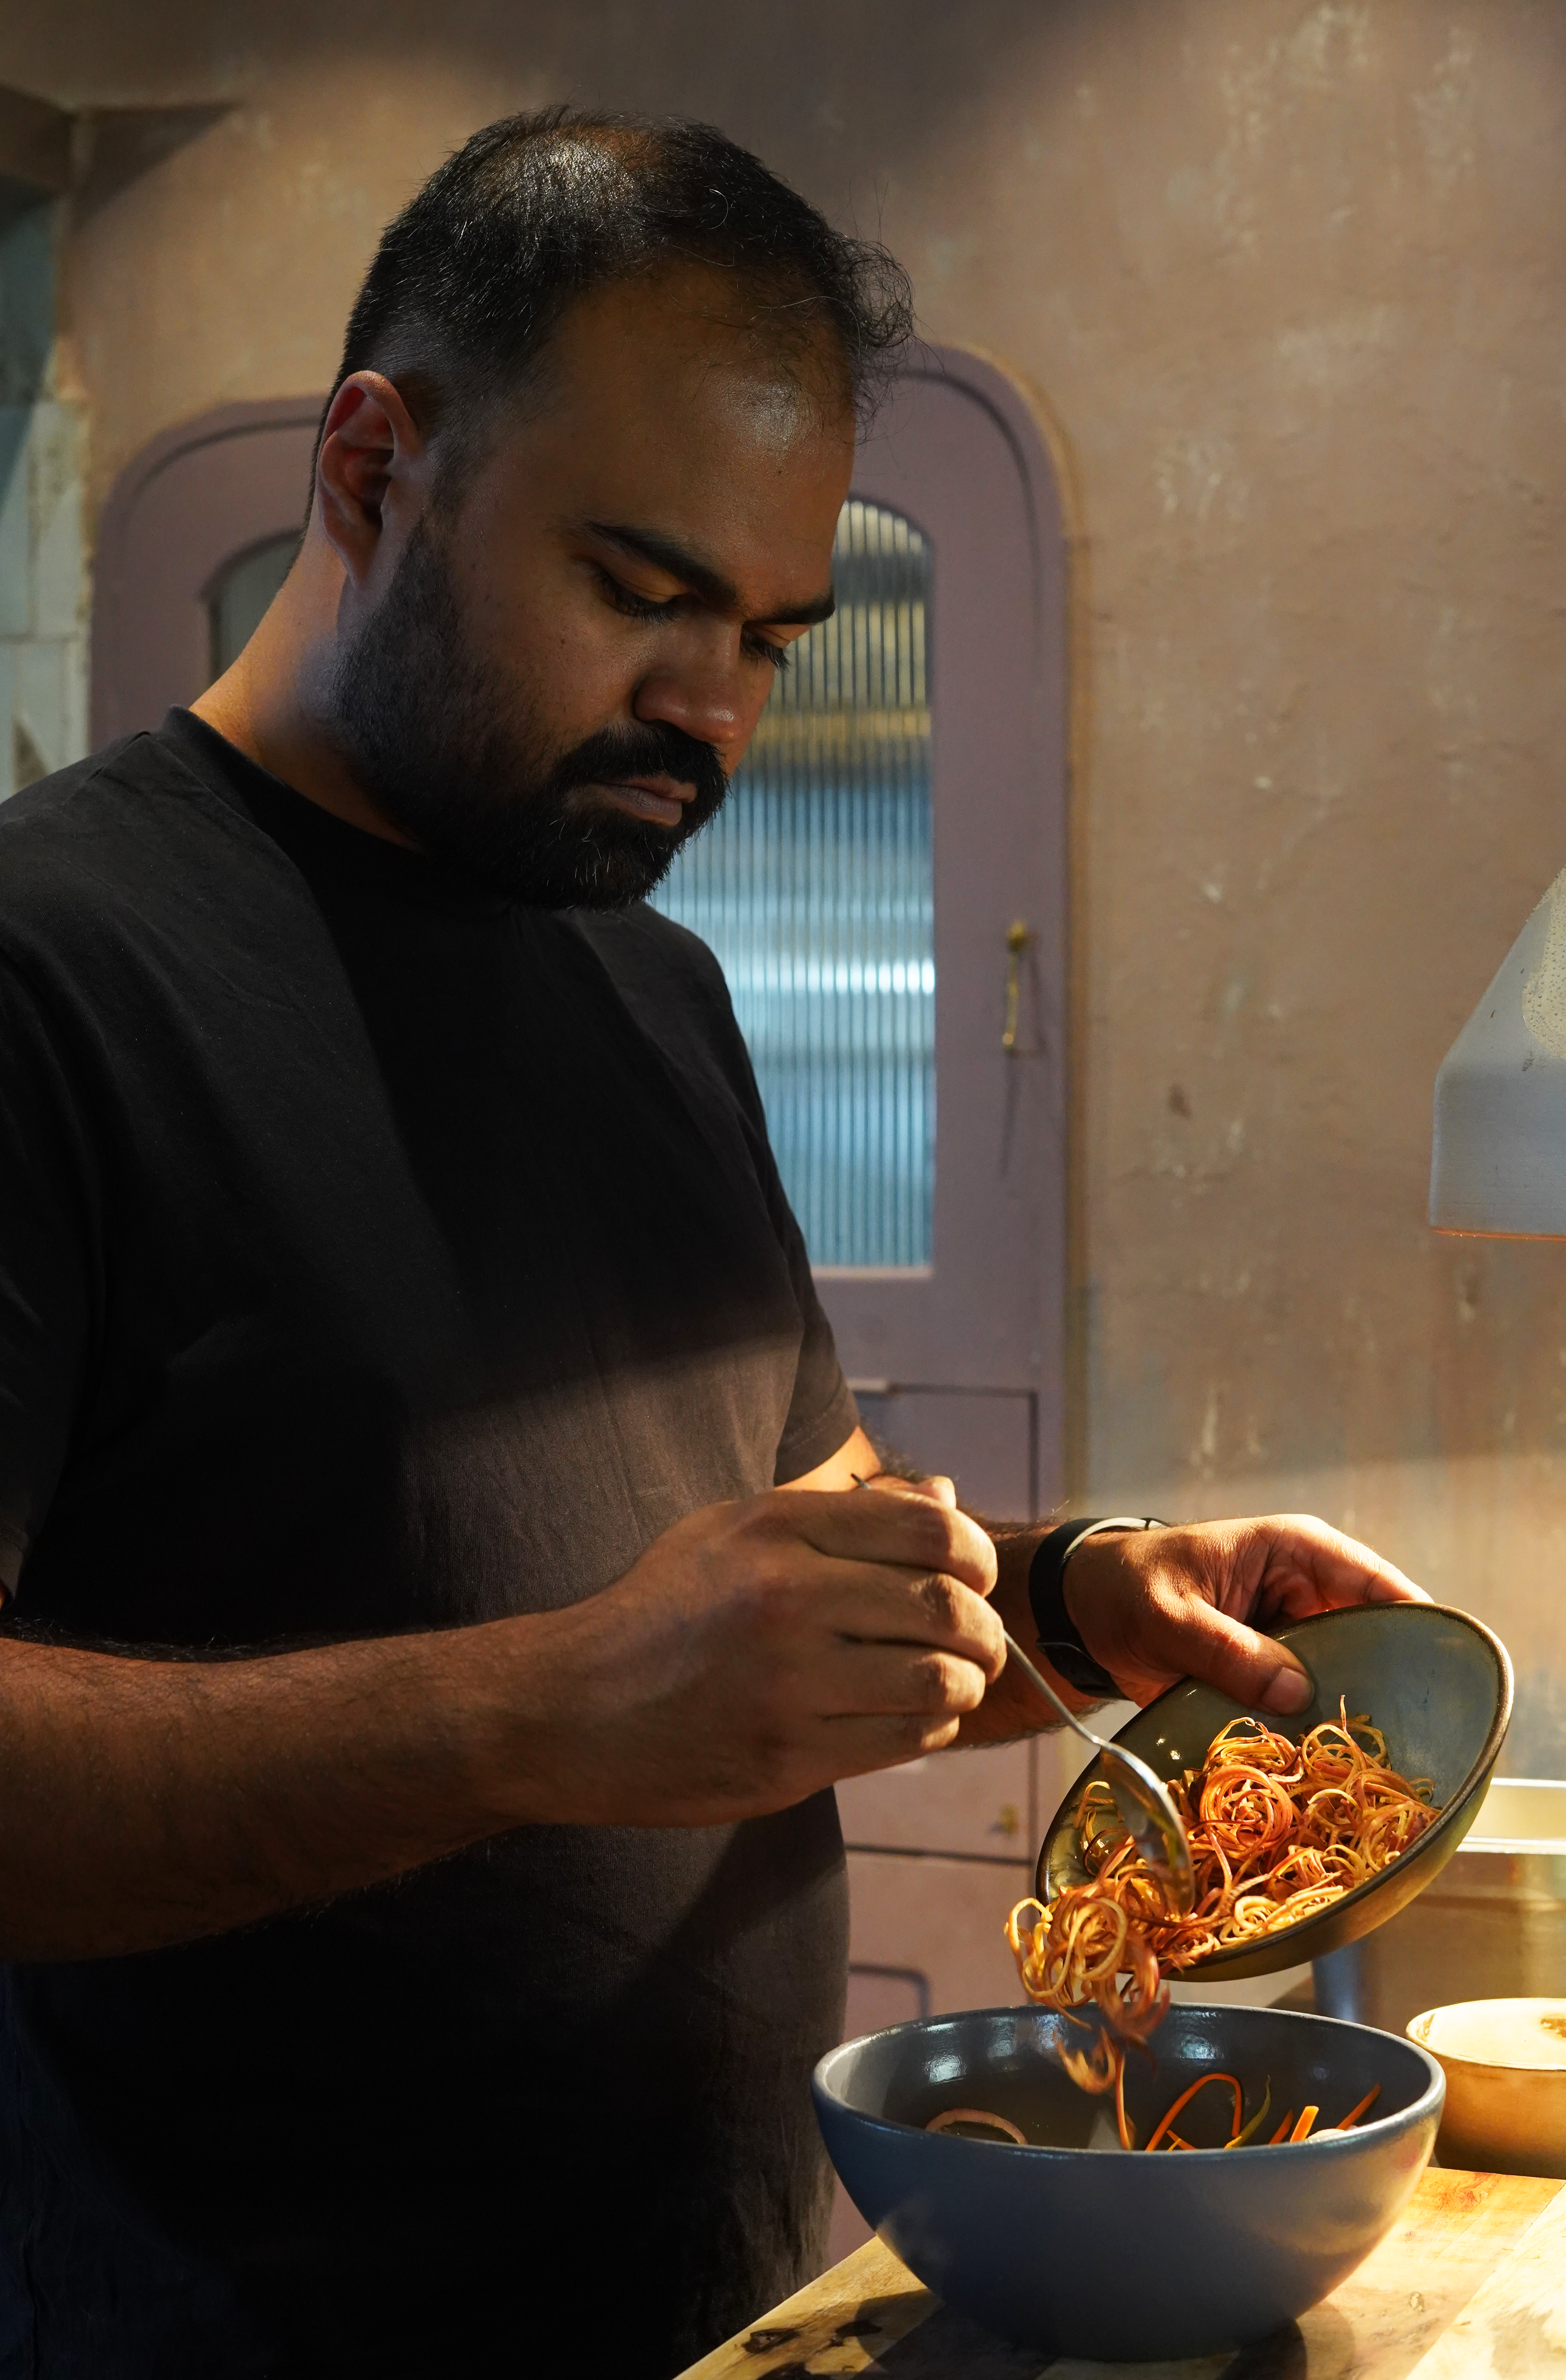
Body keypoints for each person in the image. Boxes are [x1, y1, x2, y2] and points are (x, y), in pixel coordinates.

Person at [0, 107, 1425, 2378]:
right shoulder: (55, 966)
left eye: (774, 630)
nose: (720, 710)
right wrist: (551, 1711)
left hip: (745, 2305)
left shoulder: (642, 980)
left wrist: (1069, 1597)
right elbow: (612, 1678)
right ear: (375, 467)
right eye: (645, 593)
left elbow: (791, 1559)